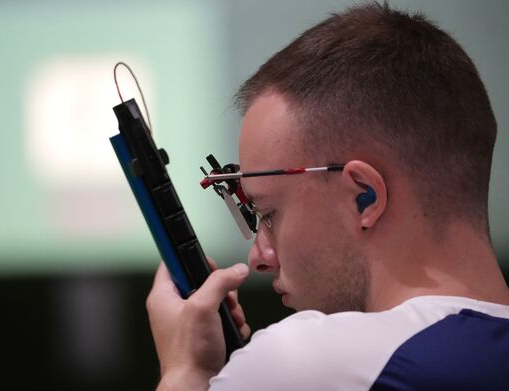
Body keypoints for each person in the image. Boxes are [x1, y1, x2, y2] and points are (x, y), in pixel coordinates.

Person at [146, 3, 509, 390]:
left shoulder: (305, 361)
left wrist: (186, 371)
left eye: (268, 213)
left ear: (364, 197)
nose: (259, 257)